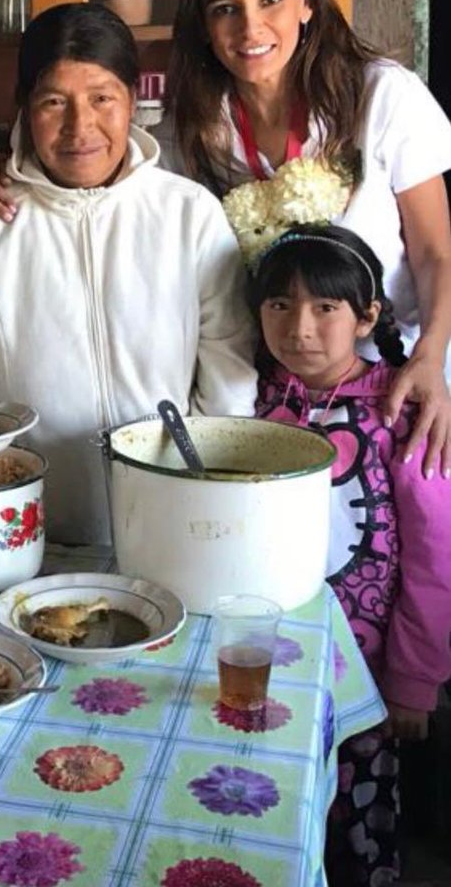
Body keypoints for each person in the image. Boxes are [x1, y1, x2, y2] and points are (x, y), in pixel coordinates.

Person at [0, 0, 451, 474]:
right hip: (272, 394)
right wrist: (12, 171)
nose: (250, 27)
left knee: (407, 536)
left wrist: (431, 355)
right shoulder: (190, 127)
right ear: (204, 24)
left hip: (392, 377)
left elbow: (436, 252)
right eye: (225, 9)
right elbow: (108, 172)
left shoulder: (380, 97)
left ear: (307, 3)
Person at [0, 2, 257, 543]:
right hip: (25, 517)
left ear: (133, 101)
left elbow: (227, 358)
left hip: (169, 508)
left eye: (102, 99)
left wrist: (198, 481)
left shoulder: (188, 214)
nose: (79, 126)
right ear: (24, 109)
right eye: (54, 102)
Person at [252, 223, 451, 886]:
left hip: (365, 681)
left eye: (324, 307)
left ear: (367, 315)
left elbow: (432, 560)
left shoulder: (403, 410)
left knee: (355, 827)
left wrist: (414, 681)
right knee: (267, 807)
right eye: (279, 304)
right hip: (267, 664)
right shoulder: (254, 402)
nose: (299, 327)